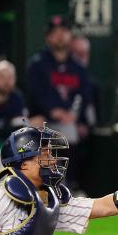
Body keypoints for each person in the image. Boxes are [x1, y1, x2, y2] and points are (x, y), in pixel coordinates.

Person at [26, 16, 93, 190]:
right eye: (55, 33)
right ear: (48, 37)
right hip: (43, 118)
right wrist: (52, 111)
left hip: (68, 120)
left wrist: (73, 114)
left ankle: (71, 185)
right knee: (40, 130)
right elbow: (36, 94)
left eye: (63, 32)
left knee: (71, 131)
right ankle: (42, 184)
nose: (60, 36)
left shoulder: (77, 66)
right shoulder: (38, 64)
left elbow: (83, 95)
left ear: (70, 35)